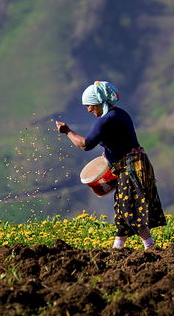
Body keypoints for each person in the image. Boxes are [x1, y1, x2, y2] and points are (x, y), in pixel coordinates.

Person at [55, 81, 166, 250]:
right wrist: (108, 154)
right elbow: (123, 141)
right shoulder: (121, 114)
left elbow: (86, 145)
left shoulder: (106, 120)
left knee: (131, 207)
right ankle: (117, 250)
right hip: (136, 164)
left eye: (90, 105)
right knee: (122, 209)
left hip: (131, 168)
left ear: (100, 102)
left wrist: (68, 132)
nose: (89, 109)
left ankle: (150, 248)